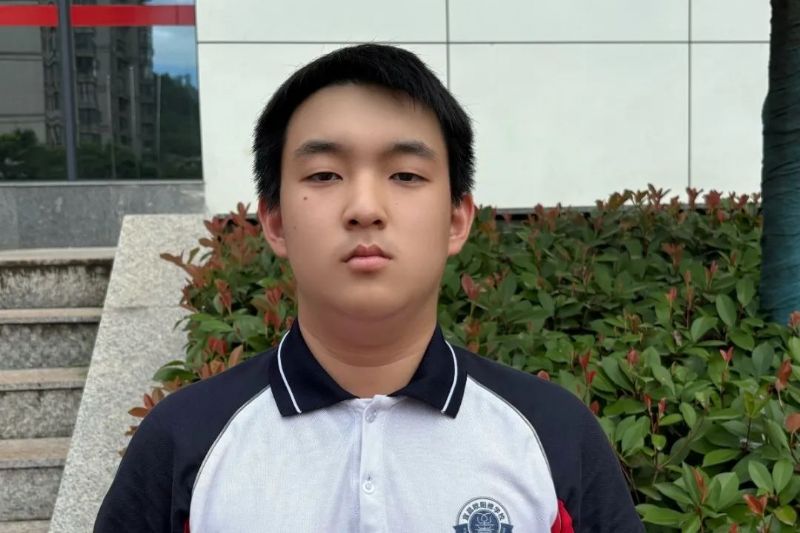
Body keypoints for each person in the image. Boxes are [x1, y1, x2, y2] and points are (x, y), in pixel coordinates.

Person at [94, 43, 643, 532]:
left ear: (457, 219)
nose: (364, 208)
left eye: (405, 175)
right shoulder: (185, 439)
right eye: (324, 175)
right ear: (275, 221)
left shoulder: (552, 434)